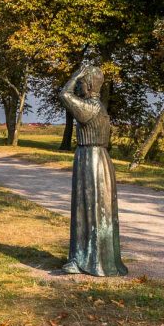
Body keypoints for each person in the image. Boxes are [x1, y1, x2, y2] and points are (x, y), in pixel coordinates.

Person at [59, 62, 127, 277]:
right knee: (95, 209)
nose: (77, 87)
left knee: (89, 208)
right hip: (98, 159)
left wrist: (76, 74)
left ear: (88, 86)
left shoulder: (90, 108)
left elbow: (64, 94)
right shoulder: (99, 107)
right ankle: (92, 258)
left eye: (80, 84)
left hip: (91, 158)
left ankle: (86, 260)